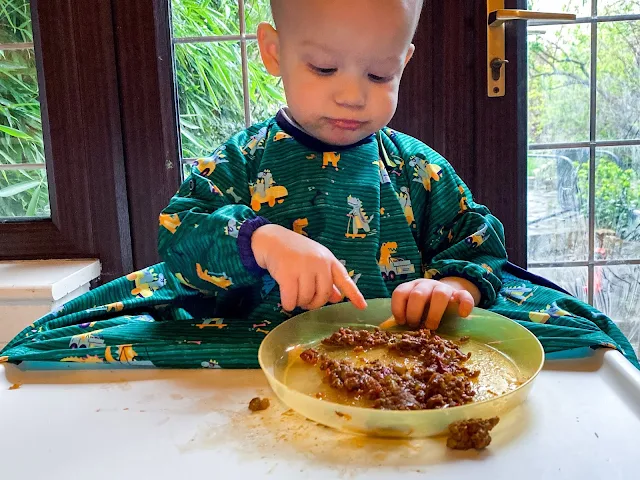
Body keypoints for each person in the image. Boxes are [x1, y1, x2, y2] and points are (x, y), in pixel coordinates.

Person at [1, 0, 637, 369]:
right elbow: (180, 237)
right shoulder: (246, 157)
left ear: (406, 63)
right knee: (54, 351)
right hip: (247, 357)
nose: (352, 93)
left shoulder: (417, 169)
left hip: (398, 363)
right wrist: (263, 239)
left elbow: (478, 244)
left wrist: (451, 286)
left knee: (587, 341)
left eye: (381, 73)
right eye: (324, 65)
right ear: (274, 52)